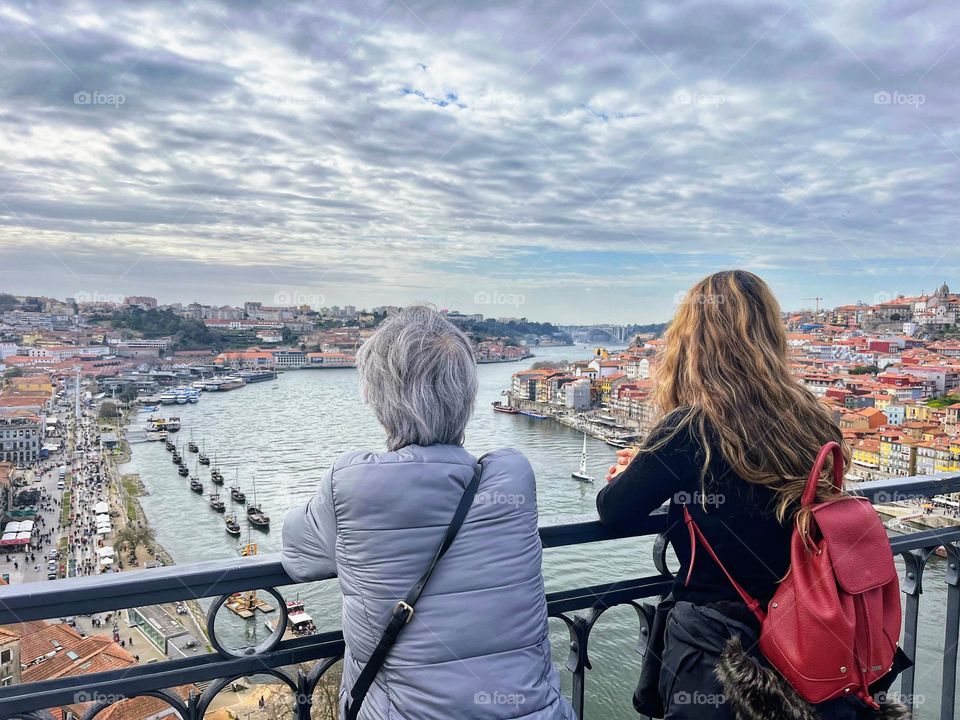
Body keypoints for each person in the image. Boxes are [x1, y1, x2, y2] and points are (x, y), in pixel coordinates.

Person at [597, 271, 907, 720]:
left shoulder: (691, 428)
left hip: (718, 644)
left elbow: (614, 512)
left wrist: (637, 468)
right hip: (811, 629)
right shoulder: (812, 419)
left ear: (691, 341)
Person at [282, 306, 574, 720]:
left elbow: (300, 560)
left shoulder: (351, 482)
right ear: (467, 397)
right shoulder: (513, 476)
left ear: (378, 399)